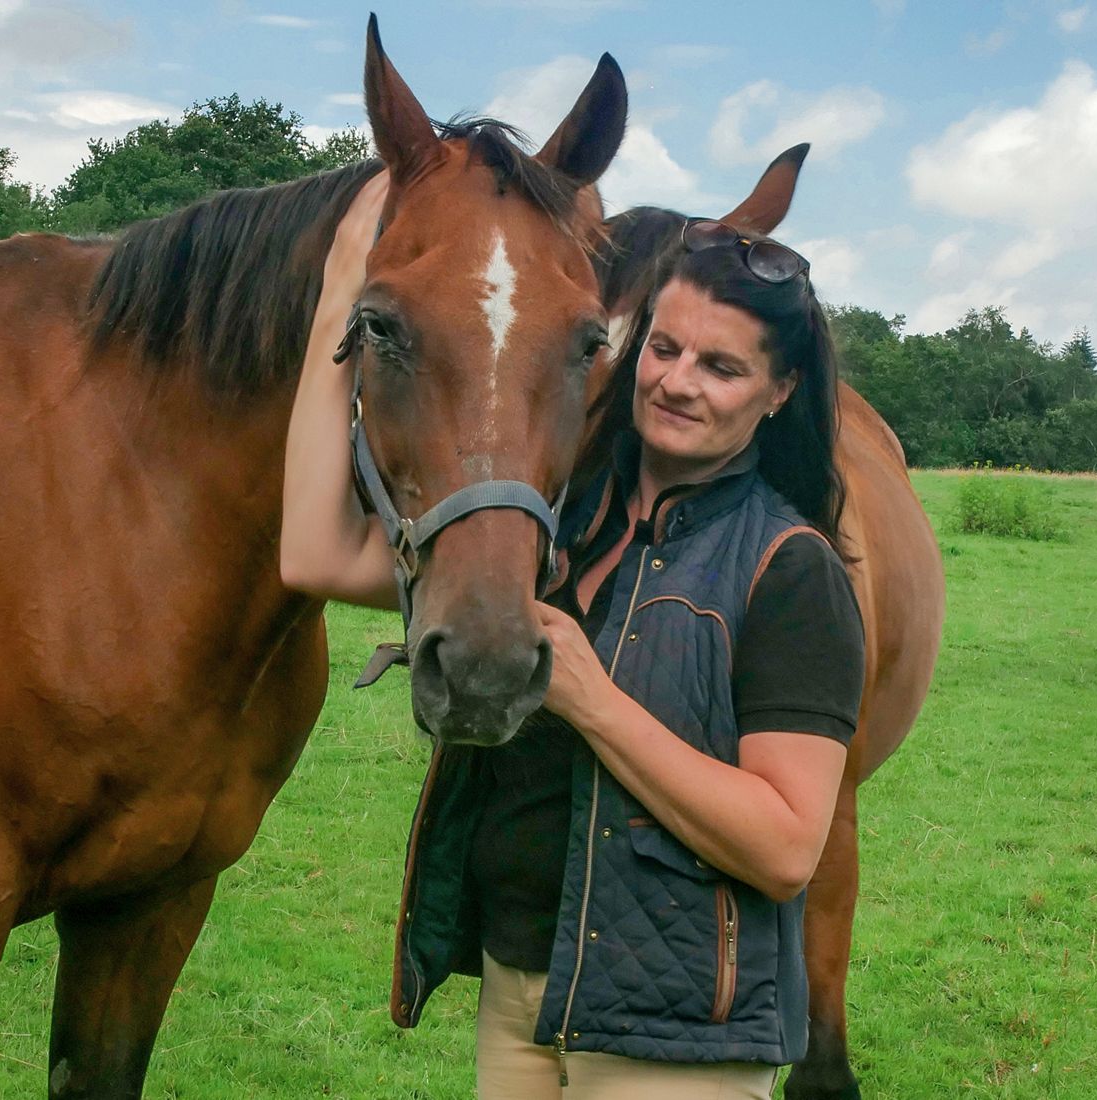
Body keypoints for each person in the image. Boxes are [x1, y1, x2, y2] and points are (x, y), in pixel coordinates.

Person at [282, 173, 865, 1099]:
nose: (676, 382)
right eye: (663, 349)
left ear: (779, 390)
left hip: (671, 1035)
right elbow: (315, 553)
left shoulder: (790, 571)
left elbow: (790, 845)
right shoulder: (559, 523)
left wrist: (594, 703)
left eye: (721, 367)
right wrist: (337, 311)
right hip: (522, 994)